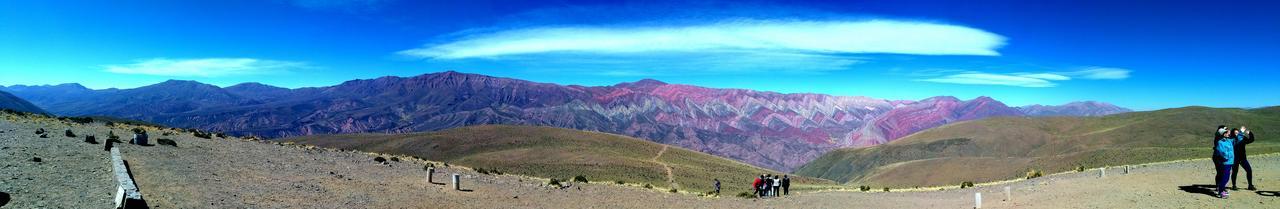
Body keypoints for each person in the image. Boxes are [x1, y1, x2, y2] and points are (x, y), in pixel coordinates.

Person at [1213, 128, 1238, 198]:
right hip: (1225, 161)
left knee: (1226, 177)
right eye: (1226, 132)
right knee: (1225, 177)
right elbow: (1222, 152)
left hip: (1230, 161)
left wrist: (1241, 132)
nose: (1228, 133)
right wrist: (1227, 157)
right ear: (1223, 134)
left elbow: (1237, 138)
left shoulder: (1229, 140)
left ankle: (1221, 189)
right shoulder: (1220, 142)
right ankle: (1221, 191)